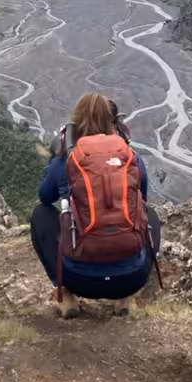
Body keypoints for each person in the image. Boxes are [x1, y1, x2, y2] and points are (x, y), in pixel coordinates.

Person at [30, 92, 162, 318]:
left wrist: (56, 158)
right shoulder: (130, 157)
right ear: (115, 124)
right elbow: (142, 199)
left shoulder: (67, 159)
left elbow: (44, 196)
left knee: (41, 215)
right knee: (149, 214)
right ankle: (124, 299)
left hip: (79, 279)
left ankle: (65, 295)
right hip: (131, 279)